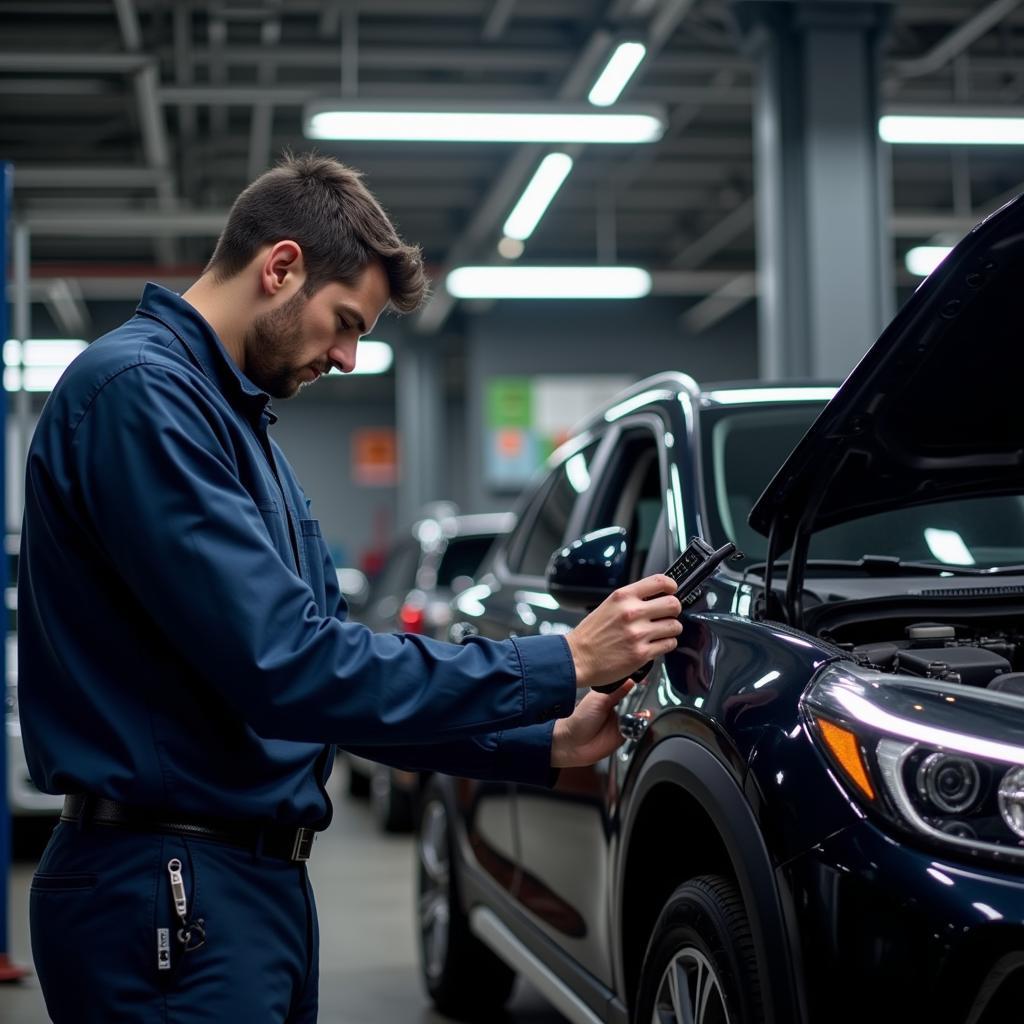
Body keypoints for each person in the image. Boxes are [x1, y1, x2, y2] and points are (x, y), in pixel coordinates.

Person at [18, 153, 683, 1023]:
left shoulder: (240, 427)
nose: (344, 354)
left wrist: (541, 743)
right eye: (344, 323)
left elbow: (340, 691)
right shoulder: (142, 396)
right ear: (280, 266)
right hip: (166, 893)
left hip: (239, 891)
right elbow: (290, 665)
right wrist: (560, 660)